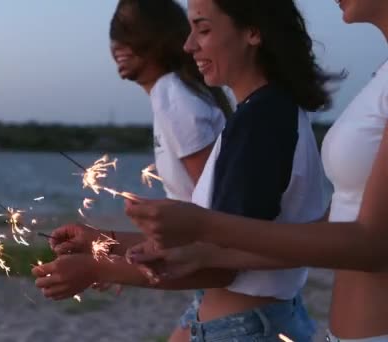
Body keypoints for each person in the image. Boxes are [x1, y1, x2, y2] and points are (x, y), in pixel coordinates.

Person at [125, 0, 388, 341]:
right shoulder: (379, 77)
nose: (188, 45)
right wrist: (192, 251)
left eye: (203, 29)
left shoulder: (267, 117)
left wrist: (203, 226)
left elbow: (373, 245)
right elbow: (334, 226)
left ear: (253, 31)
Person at [33, 0, 231, 340]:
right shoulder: (174, 96)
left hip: (235, 309)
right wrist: (104, 245)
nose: (117, 45)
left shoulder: (176, 98)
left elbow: (222, 229)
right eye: (114, 34)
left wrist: (104, 265)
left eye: (129, 33)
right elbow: (203, 230)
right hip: (214, 300)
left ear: (165, 37)